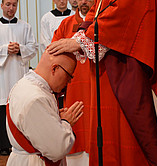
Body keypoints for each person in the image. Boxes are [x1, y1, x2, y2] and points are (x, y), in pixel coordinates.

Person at [47, 0, 157, 165]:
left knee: (128, 138)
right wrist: (84, 32)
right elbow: (99, 7)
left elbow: (127, 8)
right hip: (107, 63)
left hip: (128, 63)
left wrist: (80, 41)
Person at [6, 50, 84, 166]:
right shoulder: (36, 98)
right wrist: (66, 122)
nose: (69, 81)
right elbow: (56, 149)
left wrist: (54, 119)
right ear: (54, 68)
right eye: (69, 75)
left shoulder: (26, 84)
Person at [0, 0, 38, 156]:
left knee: (21, 109)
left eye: (14, 5)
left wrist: (20, 49)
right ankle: (4, 145)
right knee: (3, 110)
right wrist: (6, 49)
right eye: (8, 4)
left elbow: (33, 48)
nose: (11, 8)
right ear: (1, 5)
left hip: (20, 75)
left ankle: (23, 142)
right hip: (2, 76)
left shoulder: (25, 26)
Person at [52, 0, 94, 165]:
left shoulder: (101, 24)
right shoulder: (65, 24)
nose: (84, 1)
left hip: (98, 90)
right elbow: (53, 55)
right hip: (73, 89)